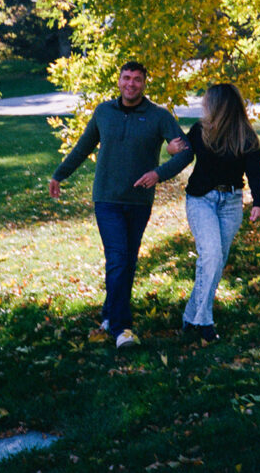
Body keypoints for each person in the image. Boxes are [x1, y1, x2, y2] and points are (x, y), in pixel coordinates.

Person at [49, 61, 192, 349]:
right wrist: (59, 175)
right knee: (118, 258)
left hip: (139, 202)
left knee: (127, 260)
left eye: (137, 79)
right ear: (119, 81)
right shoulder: (104, 112)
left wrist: (158, 173)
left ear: (144, 84)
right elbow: (83, 147)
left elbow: (186, 152)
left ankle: (107, 315)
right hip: (107, 199)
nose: (131, 84)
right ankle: (121, 328)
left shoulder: (158, 116)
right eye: (126, 78)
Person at [166, 83, 260, 343]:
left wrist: (259, 203)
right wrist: (170, 152)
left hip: (231, 202)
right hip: (202, 200)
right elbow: (184, 156)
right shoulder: (201, 131)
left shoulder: (245, 135)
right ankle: (204, 322)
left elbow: (256, 171)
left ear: (220, 105)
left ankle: (190, 316)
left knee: (215, 262)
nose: (203, 106)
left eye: (207, 102)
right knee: (211, 257)